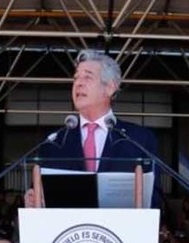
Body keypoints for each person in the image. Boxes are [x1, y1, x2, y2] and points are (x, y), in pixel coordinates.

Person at [25, 49, 159, 208]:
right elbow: (40, 196)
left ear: (110, 88)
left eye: (87, 77)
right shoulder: (53, 142)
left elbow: (155, 200)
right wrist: (32, 202)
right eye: (76, 78)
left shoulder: (139, 139)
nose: (78, 83)